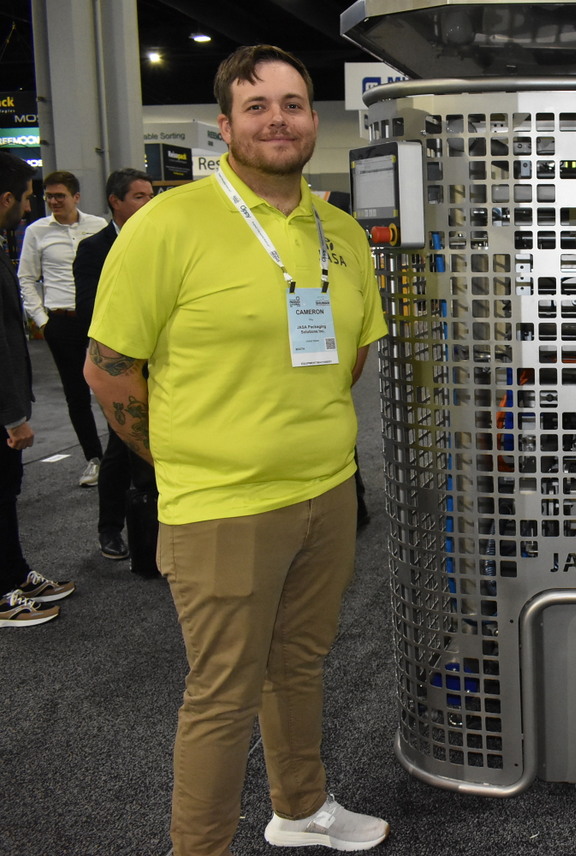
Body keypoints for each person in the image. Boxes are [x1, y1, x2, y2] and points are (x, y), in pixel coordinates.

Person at [83, 45, 389, 853]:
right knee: (222, 696)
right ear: (225, 126)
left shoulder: (340, 230)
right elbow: (108, 371)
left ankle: (301, 808)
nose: (277, 119)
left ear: (312, 120)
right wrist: (187, 459)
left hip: (328, 491)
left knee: (299, 664)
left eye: (292, 104)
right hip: (222, 507)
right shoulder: (167, 224)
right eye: (257, 106)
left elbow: (352, 351)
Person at [0, 151, 77, 627]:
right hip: (3, 407)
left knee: (7, 493)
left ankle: (15, 574)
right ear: (5, 198)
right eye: (27, 198)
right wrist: (13, 417)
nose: (29, 208)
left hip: (9, 399)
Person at [73, 168, 155, 561]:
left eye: (151, 195)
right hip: (119, 363)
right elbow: (91, 310)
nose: (148, 202)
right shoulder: (95, 248)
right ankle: (110, 529)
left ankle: (153, 533)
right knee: (121, 447)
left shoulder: (159, 242)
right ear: (115, 202)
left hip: (161, 360)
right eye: (139, 196)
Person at [16, 170, 108, 487]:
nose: (54, 201)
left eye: (60, 196)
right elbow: (26, 278)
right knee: (76, 394)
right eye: (49, 196)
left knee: (110, 387)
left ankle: (121, 457)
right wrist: (42, 321)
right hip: (61, 321)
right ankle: (94, 460)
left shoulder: (97, 226)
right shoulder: (37, 231)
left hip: (97, 319)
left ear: (76, 197)